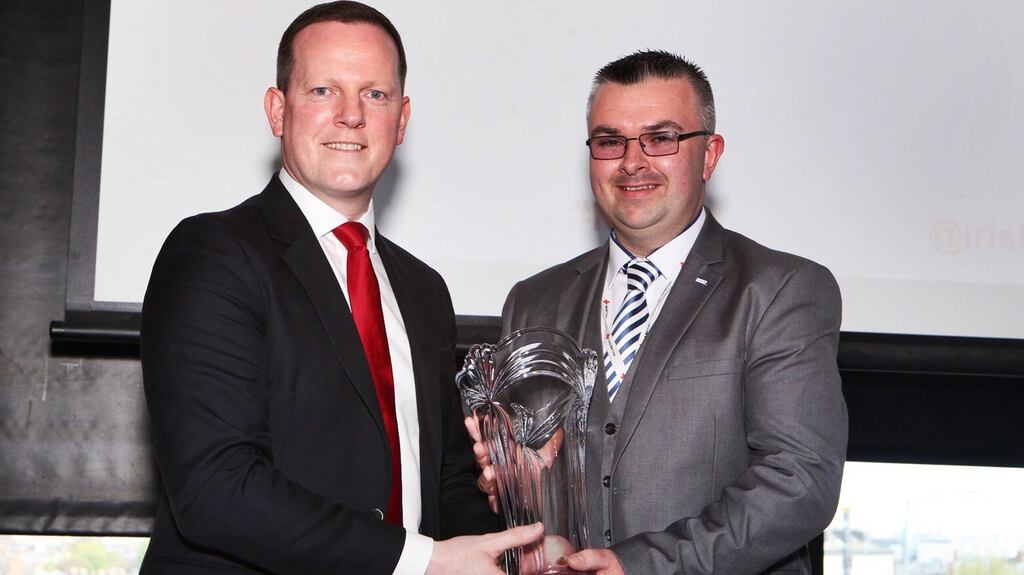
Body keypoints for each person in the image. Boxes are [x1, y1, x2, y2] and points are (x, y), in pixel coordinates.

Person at [140, 2, 539, 573]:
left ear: (401, 121)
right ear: (278, 110)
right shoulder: (212, 253)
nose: (351, 115)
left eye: (374, 95)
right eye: (324, 90)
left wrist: (516, 547)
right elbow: (215, 489)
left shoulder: (425, 291)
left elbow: (446, 485)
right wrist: (420, 563)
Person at [470, 50, 848, 574]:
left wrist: (640, 567)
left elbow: (800, 481)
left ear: (709, 154)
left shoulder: (780, 290)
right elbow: (536, 492)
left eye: (661, 138)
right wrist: (515, 484)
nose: (632, 162)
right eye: (609, 142)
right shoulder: (534, 301)